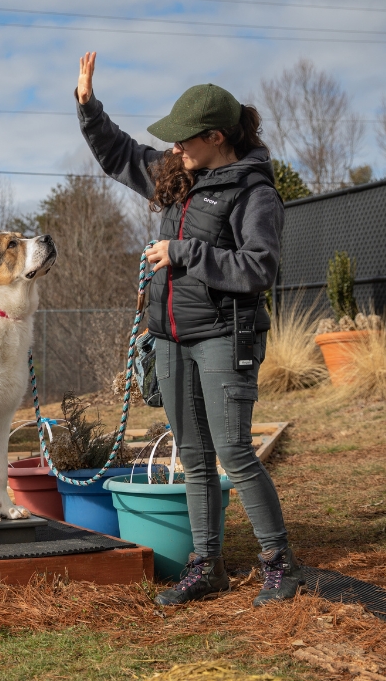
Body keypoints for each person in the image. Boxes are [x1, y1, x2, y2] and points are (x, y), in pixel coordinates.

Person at [74, 52, 302, 607]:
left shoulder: (256, 193)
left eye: (185, 139)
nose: (175, 148)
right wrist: (88, 107)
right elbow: (121, 155)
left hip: (226, 335)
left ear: (217, 136)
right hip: (171, 337)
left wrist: (184, 252)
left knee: (236, 452)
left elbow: (259, 268)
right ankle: (208, 566)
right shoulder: (181, 176)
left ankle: (280, 564)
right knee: (193, 454)